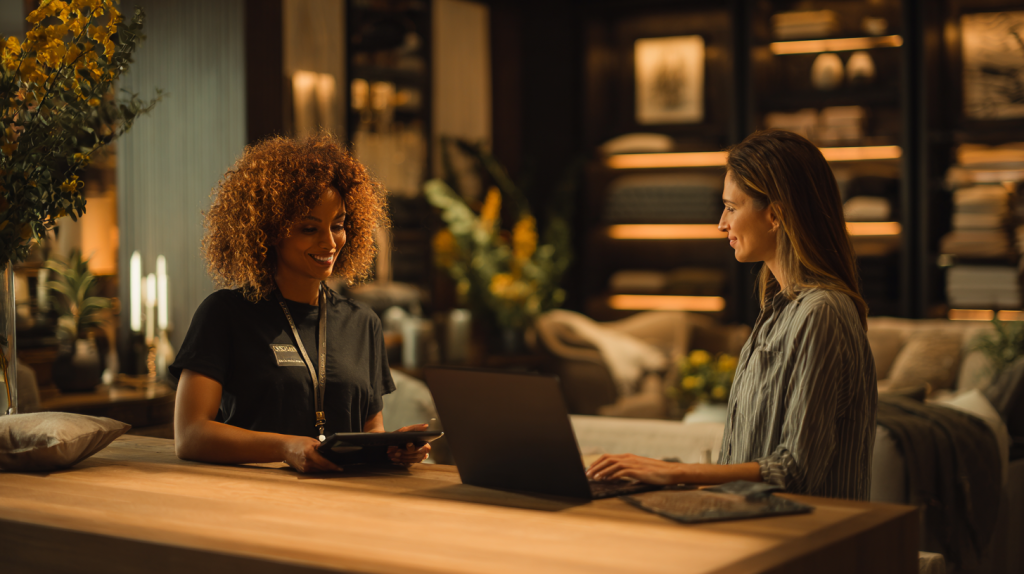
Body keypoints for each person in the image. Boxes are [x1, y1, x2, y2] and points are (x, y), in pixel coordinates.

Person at [586, 130, 877, 500]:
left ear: (774, 215)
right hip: (751, 519)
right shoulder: (778, 311)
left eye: (732, 208)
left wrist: (675, 472)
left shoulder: (822, 313)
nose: (722, 223)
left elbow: (796, 471)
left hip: (802, 529)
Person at [170, 133, 429, 473]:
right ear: (270, 231)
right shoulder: (225, 314)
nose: (330, 242)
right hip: (250, 497)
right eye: (309, 228)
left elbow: (371, 431)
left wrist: (390, 449)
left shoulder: (363, 322)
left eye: (338, 225)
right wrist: (285, 447)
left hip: (345, 498)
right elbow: (190, 435)